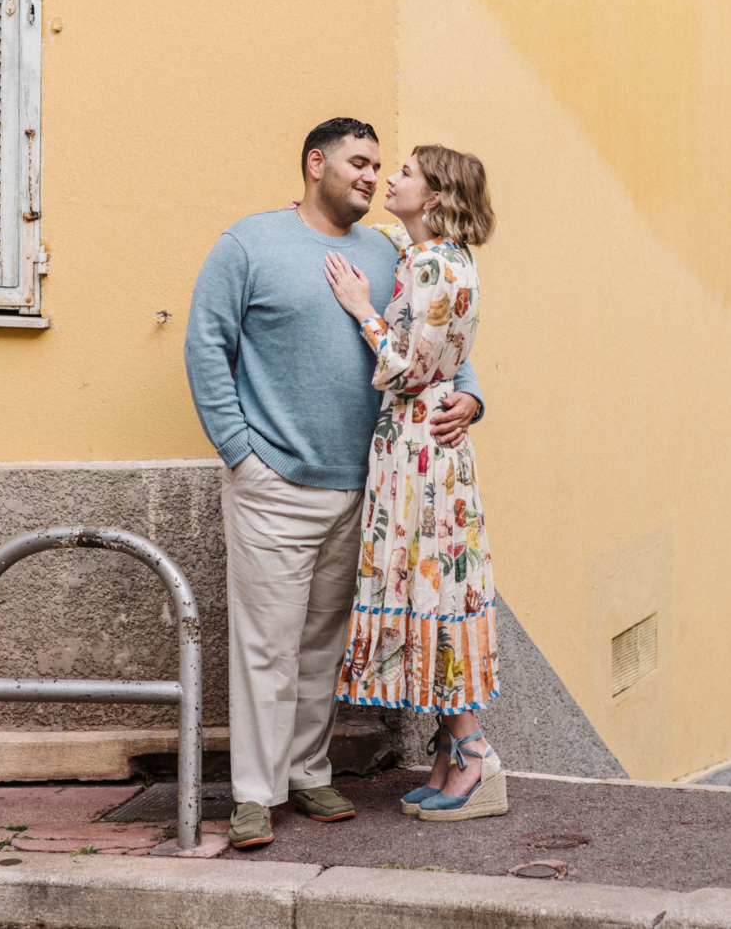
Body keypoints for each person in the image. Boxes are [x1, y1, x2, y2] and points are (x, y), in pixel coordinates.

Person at [184, 118, 484, 849]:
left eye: (381, 165)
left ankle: (307, 774)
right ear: (314, 164)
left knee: (324, 642)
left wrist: (471, 398)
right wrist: (241, 454)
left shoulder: (389, 251)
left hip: (370, 491)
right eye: (357, 162)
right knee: (266, 643)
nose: (372, 176)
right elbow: (205, 345)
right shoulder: (248, 243)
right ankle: (254, 795)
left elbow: (434, 341)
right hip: (274, 481)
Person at [324, 145, 504, 822]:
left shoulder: (432, 264)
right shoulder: (435, 253)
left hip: (420, 451)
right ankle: (449, 753)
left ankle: (474, 753)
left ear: (431, 196)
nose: (387, 180)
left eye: (403, 174)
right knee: (433, 589)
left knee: (433, 590)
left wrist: (359, 306)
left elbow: (409, 370)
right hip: (427, 444)